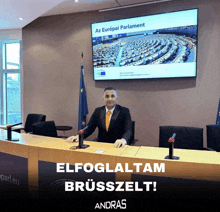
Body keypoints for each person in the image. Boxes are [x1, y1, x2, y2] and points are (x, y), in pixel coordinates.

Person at [67, 87, 132, 148]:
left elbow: (128, 130)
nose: (110, 99)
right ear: (103, 98)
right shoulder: (98, 111)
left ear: (116, 98)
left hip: (117, 145)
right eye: (107, 96)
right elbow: (89, 128)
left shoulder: (124, 111)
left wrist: (123, 140)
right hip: (101, 145)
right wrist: (79, 137)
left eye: (112, 96)